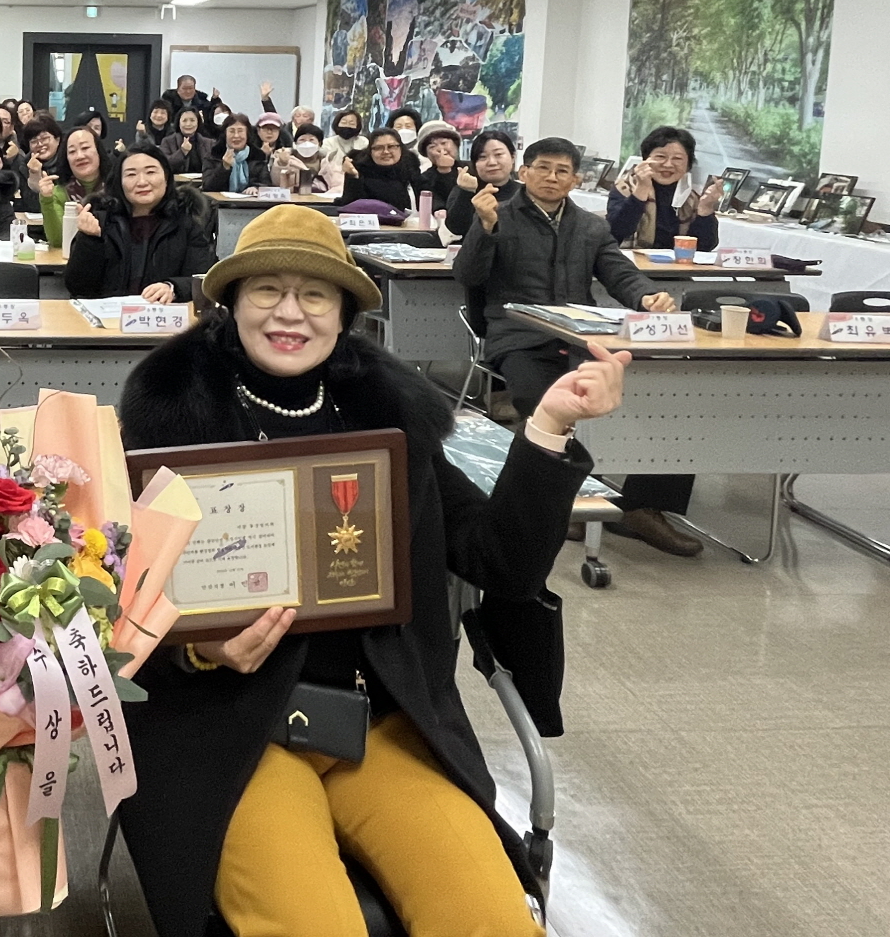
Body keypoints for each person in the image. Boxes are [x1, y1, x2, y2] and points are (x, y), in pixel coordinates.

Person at [115, 204, 627, 937]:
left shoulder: (392, 419)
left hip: (382, 721)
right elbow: (115, 607)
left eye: (316, 294)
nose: (290, 312)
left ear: (346, 312)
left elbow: (498, 561)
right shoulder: (170, 420)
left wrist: (546, 429)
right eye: (266, 290)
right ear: (229, 303)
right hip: (230, 727)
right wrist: (200, 648)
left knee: (494, 921)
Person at [454, 137, 695, 558]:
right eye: (542, 168)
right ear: (523, 173)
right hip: (520, 337)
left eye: (562, 171)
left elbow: (619, 273)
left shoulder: (591, 226)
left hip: (583, 337)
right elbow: (469, 275)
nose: (551, 177)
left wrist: (646, 298)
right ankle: (558, 502)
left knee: (669, 394)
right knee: (546, 399)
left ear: (576, 179)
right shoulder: (499, 214)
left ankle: (644, 507)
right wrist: (485, 227)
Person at [602, 126, 724, 554]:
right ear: (645, 157)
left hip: (678, 297)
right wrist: (638, 198)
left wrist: (706, 213)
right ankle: (600, 495)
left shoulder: (693, 195)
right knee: (651, 391)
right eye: (660, 156)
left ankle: (646, 506)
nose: (668, 164)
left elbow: (704, 251)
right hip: (623, 291)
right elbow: (612, 236)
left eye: (677, 158)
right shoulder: (627, 185)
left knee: (685, 391)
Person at [66, 147, 214, 302]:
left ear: (166, 178)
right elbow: (78, 288)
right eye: (131, 174)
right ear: (119, 182)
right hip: (109, 319)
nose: (142, 182)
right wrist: (89, 239)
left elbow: (202, 280)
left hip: (164, 318)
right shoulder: (101, 220)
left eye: (151, 172)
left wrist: (172, 287)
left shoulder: (186, 222)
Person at [445, 128, 519, 240]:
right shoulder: (464, 190)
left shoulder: (525, 192)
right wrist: (466, 192)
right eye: (482, 157)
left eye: (498, 154)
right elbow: (456, 229)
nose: (492, 162)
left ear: (513, 157)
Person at [340, 128, 418, 210]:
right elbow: (350, 206)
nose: (386, 152)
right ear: (370, 151)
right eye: (378, 148)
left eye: (391, 146)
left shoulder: (410, 167)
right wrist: (353, 176)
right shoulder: (359, 169)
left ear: (400, 148)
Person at [16, 116, 63, 214]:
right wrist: (34, 177)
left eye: (45, 138)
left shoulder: (68, 160)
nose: (40, 144)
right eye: (34, 141)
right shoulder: (26, 165)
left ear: (57, 140)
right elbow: (33, 206)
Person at [203, 112, 260, 193]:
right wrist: (224, 168)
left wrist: (256, 188)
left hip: (252, 204)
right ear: (225, 134)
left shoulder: (258, 156)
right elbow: (208, 187)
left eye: (240, 131)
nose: (236, 136)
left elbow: (266, 184)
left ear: (247, 134)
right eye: (232, 131)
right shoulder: (213, 155)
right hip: (220, 204)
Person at [415, 121, 466, 210]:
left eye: (444, 143)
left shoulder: (472, 168)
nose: (440, 149)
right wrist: (444, 171)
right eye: (432, 146)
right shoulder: (424, 178)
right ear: (426, 154)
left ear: (456, 145)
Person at [162, 107, 216, 173]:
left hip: (203, 181)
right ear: (179, 123)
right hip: (178, 182)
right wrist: (182, 152)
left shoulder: (209, 143)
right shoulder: (168, 141)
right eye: (184, 121)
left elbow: (215, 167)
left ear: (198, 122)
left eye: (192, 120)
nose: (188, 124)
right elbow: (165, 166)